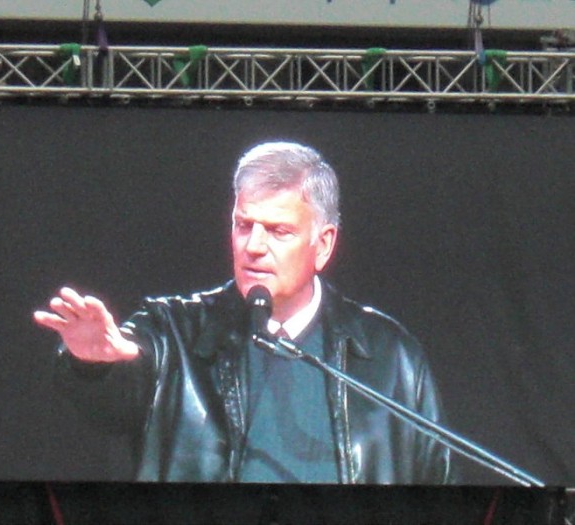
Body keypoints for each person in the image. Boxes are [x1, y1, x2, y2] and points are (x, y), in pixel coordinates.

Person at [33, 141, 452, 484]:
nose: (253, 246)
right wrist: (92, 364)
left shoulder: (389, 356)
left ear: (323, 245)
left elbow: (439, 489)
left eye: (278, 231)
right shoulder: (174, 332)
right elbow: (115, 394)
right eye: (243, 225)